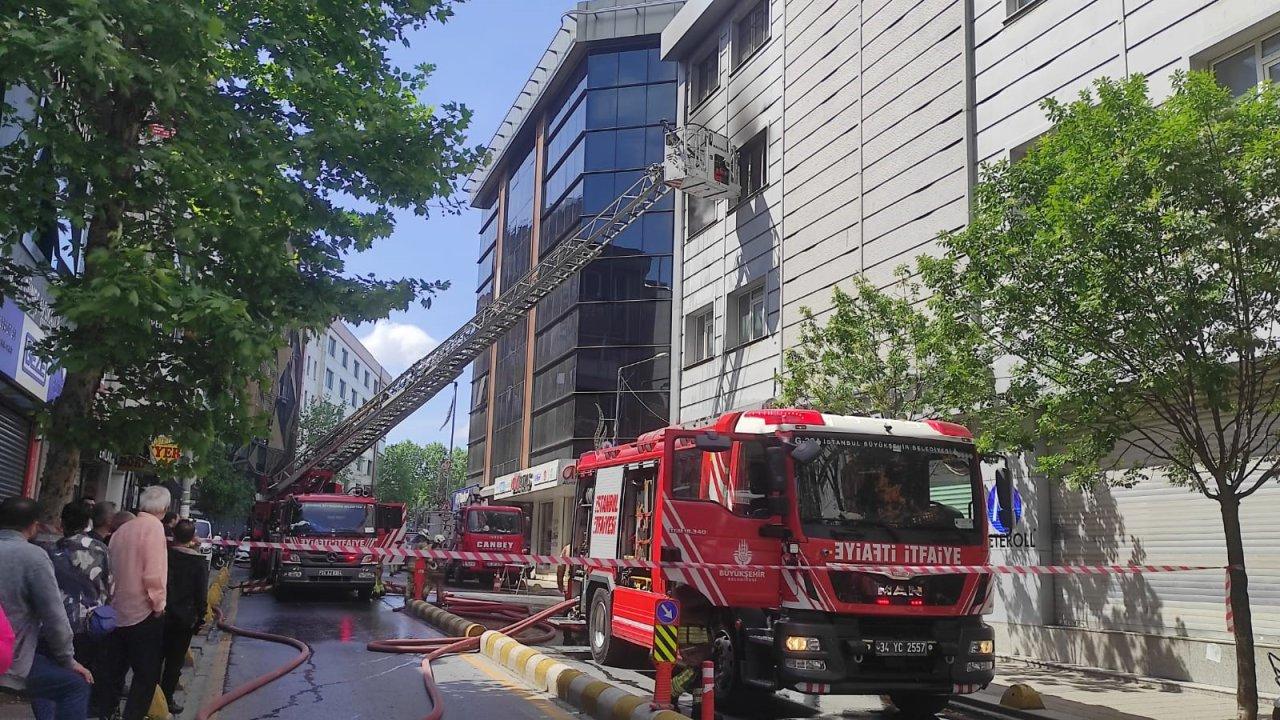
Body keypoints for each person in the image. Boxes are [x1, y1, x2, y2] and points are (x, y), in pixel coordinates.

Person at [0, 497, 94, 720]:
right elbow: (54, 617)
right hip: (10, 661)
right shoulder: (33, 557)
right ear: (33, 526)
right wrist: (68, 660)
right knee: (76, 685)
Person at [36, 501, 111, 720]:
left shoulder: (50, 549)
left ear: (62, 523)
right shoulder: (101, 549)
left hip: (54, 624)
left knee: (48, 678)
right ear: (89, 523)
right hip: (89, 625)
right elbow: (109, 586)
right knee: (81, 676)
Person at [102, 487, 169, 720]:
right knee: (146, 673)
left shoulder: (123, 529)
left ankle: (108, 712)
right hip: (143, 611)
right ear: (163, 509)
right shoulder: (154, 528)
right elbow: (153, 574)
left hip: (116, 608)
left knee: (114, 669)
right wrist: (158, 605)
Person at [158, 520, 206, 715]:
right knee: (174, 662)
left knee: (154, 658)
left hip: (160, 613)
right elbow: (200, 593)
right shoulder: (197, 562)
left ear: (173, 535)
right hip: (184, 618)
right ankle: (167, 698)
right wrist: (201, 617)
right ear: (192, 537)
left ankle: (150, 698)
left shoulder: (164, 555)